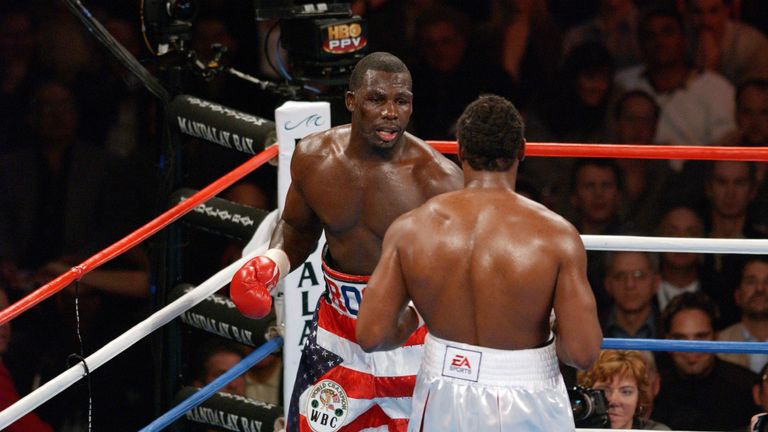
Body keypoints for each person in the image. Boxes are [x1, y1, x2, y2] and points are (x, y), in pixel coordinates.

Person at [229, 52, 463, 431]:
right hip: (337, 338)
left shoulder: (437, 180)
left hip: (413, 341)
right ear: (352, 101)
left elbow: (458, 273)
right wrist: (273, 263)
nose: (391, 112)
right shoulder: (313, 158)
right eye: (377, 99)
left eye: (401, 101)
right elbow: (298, 230)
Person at [355, 94, 602, 431]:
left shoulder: (410, 229)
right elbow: (582, 352)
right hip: (529, 396)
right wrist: (555, 318)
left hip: (443, 390)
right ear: (522, 151)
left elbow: (371, 334)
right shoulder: (555, 236)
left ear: (460, 152)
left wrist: (413, 317)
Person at [653, 291, 760, 431]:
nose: (691, 348)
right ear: (667, 341)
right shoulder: (654, 390)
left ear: (716, 337)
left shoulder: (745, 387)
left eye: (701, 337)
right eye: (680, 338)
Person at [577, 350, 670, 430]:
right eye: (604, 390)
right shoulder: (572, 428)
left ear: (639, 398)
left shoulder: (657, 431)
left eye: (626, 392)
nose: (614, 401)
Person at [718, 256, 768, 374]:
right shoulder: (719, 344)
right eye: (751, 281)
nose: (760, 289)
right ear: (737, 294)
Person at [602, 251, 662, 339]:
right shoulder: (589, 328)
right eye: (620, 276)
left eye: (639, 275)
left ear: (656, 282)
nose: (629, 284)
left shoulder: (672, 330)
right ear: (607, 284)